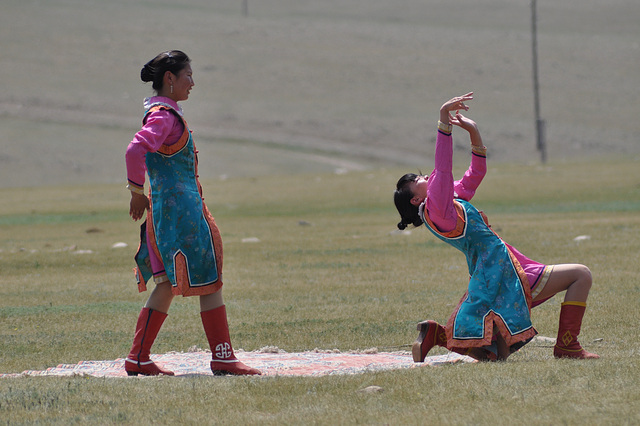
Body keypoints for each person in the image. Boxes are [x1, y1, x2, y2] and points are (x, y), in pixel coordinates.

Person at [393, 93, 599, 361]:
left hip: (497, 270)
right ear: (416, 199)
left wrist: (474, 133)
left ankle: (438, 335)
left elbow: (474, 175)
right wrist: (443, 121)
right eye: (419, 179)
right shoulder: (438, 207)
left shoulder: (445, 204)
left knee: (493, 350)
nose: (426, 176)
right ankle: (567, 347)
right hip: (503, 273)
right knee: (581, 275)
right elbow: (442, 169)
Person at [124, 50, 261, 376]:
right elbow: (135, 149)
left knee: (167, 282)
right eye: (187, 76)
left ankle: (138, 357)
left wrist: (143, 195)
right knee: (210, 277)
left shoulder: (161, 114)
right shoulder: (164, 117)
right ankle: (223, 356)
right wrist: (135, 192)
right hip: (182, 214)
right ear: (169, 79)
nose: (192, 83)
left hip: (165, 213)